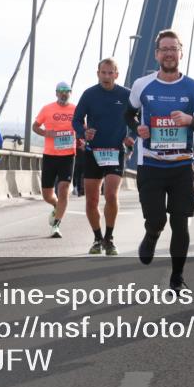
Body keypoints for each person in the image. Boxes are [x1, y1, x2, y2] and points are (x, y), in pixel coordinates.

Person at [125, 30, 194, 291]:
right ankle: (151, 235)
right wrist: (137, 127)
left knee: (180, 222)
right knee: (157, 220)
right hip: (150, 165)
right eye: (164, 49)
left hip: (181, 166)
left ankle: (177, 278)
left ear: (180, 53)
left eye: (174, 48)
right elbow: (128, 115)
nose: (169, 53)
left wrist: (190, 121)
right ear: (157, 54)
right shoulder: (142, 85)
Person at [72, 58, 133, 256]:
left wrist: (131, 136)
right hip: (93, 152)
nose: (106, 77)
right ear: (97, 73)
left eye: (110, 73)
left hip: (116, 151)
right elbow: (76, 120)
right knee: (91, 199)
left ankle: (110, 237)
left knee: (111, 195)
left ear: (117, 74)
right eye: (103, 73)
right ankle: (97, 238)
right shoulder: (89, 94)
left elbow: (138, 119)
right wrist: (83, 132)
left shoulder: (126, 95)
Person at [33, 81, 77, 238]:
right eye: (61, 91)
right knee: (46, 194)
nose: (64, 93)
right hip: (50, 155)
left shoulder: (75, 109)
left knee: (63, 189)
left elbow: (82, 128)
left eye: (67, 91)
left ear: (70, 93)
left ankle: (56, 225)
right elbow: (35, 126)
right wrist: (46, 133)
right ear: (56, 93)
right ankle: (56, 205)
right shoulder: (47, 108)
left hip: (68, 156)